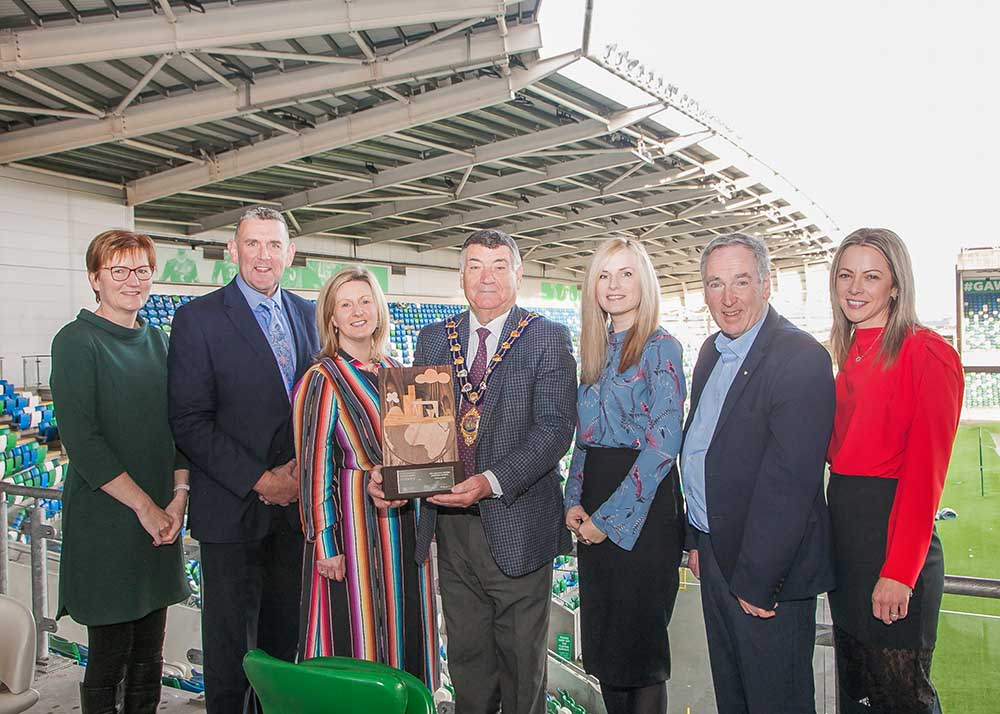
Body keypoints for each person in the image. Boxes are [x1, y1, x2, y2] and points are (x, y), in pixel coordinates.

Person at [370, 229, 577, 714]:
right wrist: (400, 478)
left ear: (518, 274)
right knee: (468, 666)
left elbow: (553, 430)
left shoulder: (546, 337)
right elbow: (418, 432)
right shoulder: (433, 338)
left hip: (518, 525)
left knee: (523, 671)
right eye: (476, 266)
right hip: (451, 529)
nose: (487, 276)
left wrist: (489, 482)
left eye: (499, 265)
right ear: (461, 275)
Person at [167, 207, 319, 714]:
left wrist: (300, 473)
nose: (263, 255)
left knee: (282, 645)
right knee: (230, 650)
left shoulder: (308, 315)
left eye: (273, 245)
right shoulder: (198, 318)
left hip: (296, 510)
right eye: (252, 244)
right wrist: (259, 479)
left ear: (290, 255)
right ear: (232, 251)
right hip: (232, 508)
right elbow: (189, 420)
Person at [680, 232, 835, 714]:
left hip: (766, 576)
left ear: (766, 286)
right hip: (716, 557)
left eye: (741, 282)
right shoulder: (710, 350)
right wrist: (695, 539)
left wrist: (758, 580)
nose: (727, 298)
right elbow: (699, 447)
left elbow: (790, 483)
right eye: (714, 284)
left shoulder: (800, 357)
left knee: (776, 702)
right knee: (734, 698)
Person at [50, 230, 190, 714]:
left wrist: (178, 496)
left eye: (142, 270)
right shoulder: (76, 341)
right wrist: (147, 508)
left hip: (160, 520)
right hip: (109, 522)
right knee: (110, 658)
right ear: (95, 278)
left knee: (150, 655)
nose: (133, 281)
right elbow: (83, 442)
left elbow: (179, 428)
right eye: (119, 271)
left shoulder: (160, 341)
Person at [826, 228, 963, 714]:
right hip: (848, 553)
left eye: (871, 276)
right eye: (846, 275)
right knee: (856, 700)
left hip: (893, 553)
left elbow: (925, 474)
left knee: (901, 701)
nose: (855, 287)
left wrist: (900, 572)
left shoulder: (926, 352)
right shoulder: (847, 356)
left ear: (896, 286)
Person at [292, 267, 439, 689]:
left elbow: (420, 455)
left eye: (365, 301)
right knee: (359, 639)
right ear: (331, 317)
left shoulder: (399, 370)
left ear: (379, 308)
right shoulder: (321, 379)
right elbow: (314, 470)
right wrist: (326, 545)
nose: (358, 312)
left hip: (406, 532)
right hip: (354, 537)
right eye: (346, 304)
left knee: (407, 634)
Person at [564, 238, 686, 714]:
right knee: (607, 655)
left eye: (626, 274)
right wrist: (572, 500)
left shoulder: (662, 348)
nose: (614, 285)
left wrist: (607, 520)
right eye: (604, 275)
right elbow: (584, 439)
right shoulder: (594, 351)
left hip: (643, 511)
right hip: (594, 501)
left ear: (645, 282)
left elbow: (664, 445)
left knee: (640, 657)